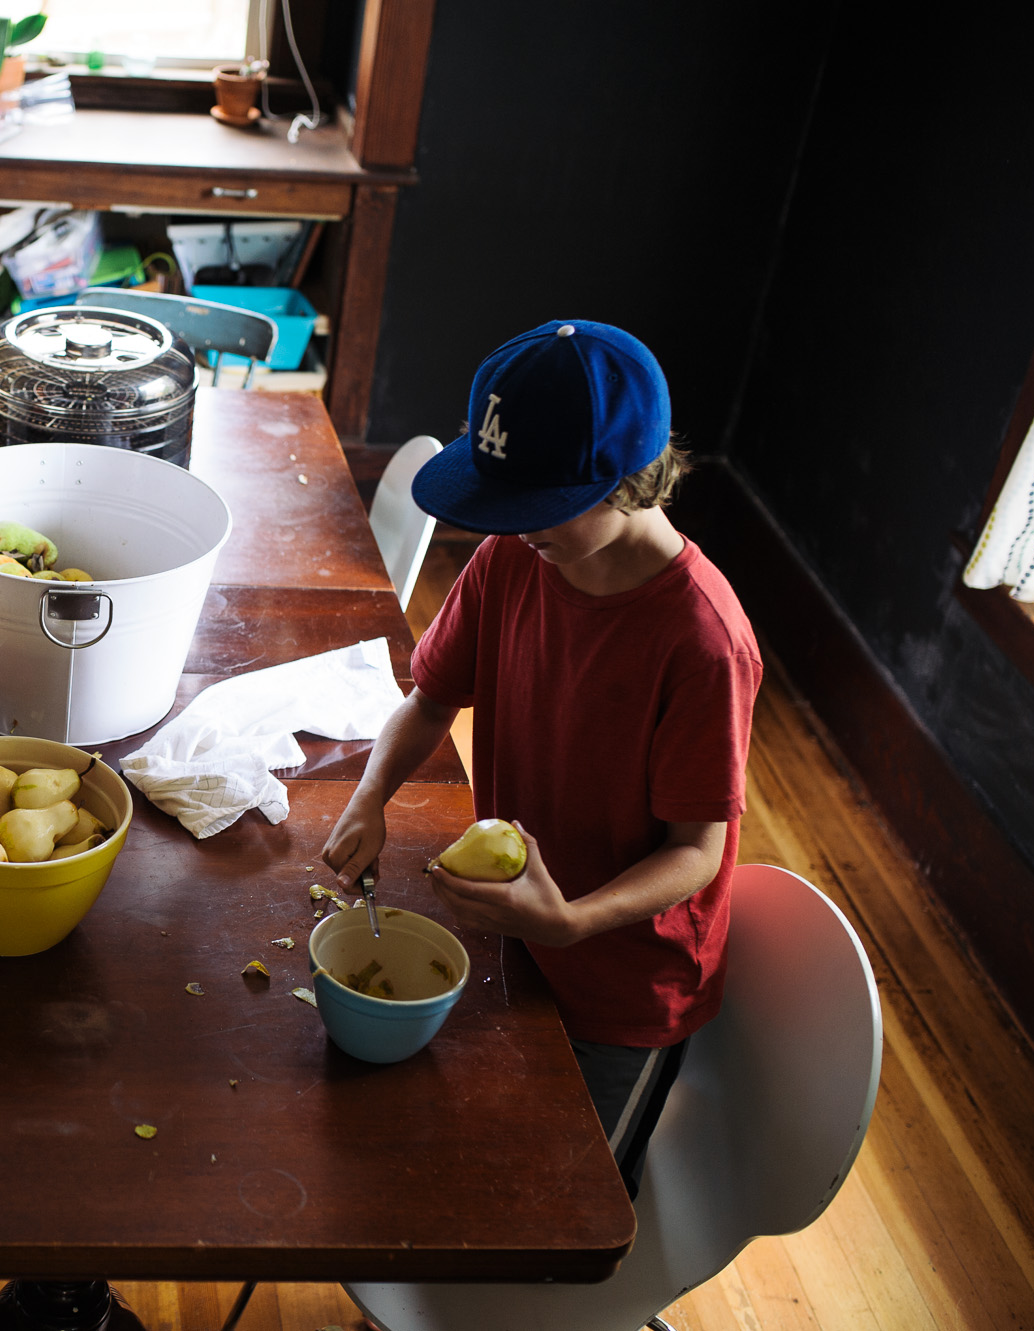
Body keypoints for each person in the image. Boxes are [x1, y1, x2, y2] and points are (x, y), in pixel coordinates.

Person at [321, 319, 762, 1198]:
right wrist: (372, 795)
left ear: (631, 481)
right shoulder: (512, 561)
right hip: (518, 938)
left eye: (539, 510)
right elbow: (430, 697)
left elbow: (696, 851)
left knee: (559, 1204)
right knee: (465, 1167)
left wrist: (573, 921)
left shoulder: (703, 641)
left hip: (620, 990)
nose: (519, 533)